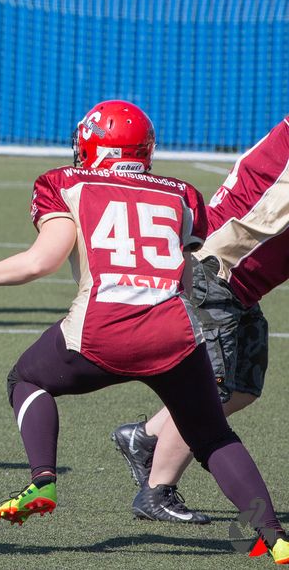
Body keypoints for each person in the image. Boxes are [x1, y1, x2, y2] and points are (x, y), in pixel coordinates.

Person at [0, 100, 288, 565]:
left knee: (26, 380)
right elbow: (186, 277)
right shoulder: (181, 194)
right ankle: (274, 536)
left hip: (99, 331)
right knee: (212, 436)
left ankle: (42, 479)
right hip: (173, 333)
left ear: (93, 146)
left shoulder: (64, 182)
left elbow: (42, 261)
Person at [110, 114, 289, 525]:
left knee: (242, 386)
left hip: (239, 282)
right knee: (214, 392)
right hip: (217, 272)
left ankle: (144, 437)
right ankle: (157, 491)